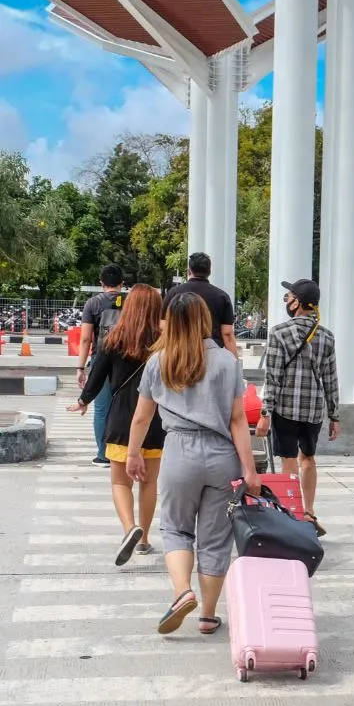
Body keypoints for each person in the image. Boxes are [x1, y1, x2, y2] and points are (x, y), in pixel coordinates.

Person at [126, 292, 260, 636]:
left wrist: (133, 453)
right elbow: (237, 421)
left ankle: (182, 591)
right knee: (215, 539)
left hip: (178, 452)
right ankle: (208, 616)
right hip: (221, 455)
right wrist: (250, 469)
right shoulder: (227, 362)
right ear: (204, 320)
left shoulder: (158, 361)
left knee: (174, 528)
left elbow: (142, 417)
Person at [67, 284, 165, 565]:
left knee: (120, 483)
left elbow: (96, 377)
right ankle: (144, 538)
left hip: (121, 418)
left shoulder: (113, 340)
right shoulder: (164, 341)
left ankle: (129, 528)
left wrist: (84, 401)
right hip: (156, 420)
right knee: (149, 483)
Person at [255, 279, 339, 537]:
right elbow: (331, 378)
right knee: (309, 459)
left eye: (287, 297)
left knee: (288, 462)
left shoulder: (279, 333)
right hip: (314, 410)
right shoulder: (326, 336)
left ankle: (291, 512)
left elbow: (273, 377)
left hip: (285, 409)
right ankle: (309, 511)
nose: (286, 302)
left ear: (297, 303)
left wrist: (265, 412)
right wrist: (335, 415)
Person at [77, 264, 125, 466]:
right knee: (125, 405)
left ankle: (103, 455)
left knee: (101, 408)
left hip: (101, 360)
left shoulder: (93, 303)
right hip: (127, 360)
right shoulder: (131, 302)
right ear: (122, 284)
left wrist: (80, 368)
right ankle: (123, 451)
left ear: (101, 283)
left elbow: (86, 339)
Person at [162, 252, 237, 356]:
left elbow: (163, 325)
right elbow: (227, 333)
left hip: (179, 353)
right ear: (209, 271)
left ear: (189, 271)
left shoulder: (174, 293)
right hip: (211, 355)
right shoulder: (222, 296)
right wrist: (234, 360)